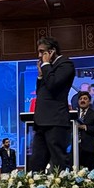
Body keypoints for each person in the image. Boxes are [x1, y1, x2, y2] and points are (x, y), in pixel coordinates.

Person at [27, 36, 76, 172]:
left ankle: (63, 185)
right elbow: (40, 92)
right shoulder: (48, 68)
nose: (39, 56)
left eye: (42, 52)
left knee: (58, 160)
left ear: (52, 51)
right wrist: (40, 75)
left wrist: (46, 65)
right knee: (36, 161)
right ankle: (34, 184)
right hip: (41, 121)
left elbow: (53, 85)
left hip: (56, 120)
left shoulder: (66, 64)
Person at [74, 90, 94, 169]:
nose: (82, 100)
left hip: (89, 149)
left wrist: (85, 127)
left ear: (89, 101)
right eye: (80, 99)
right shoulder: (73, 114)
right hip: (74, 150)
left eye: (85, 98)